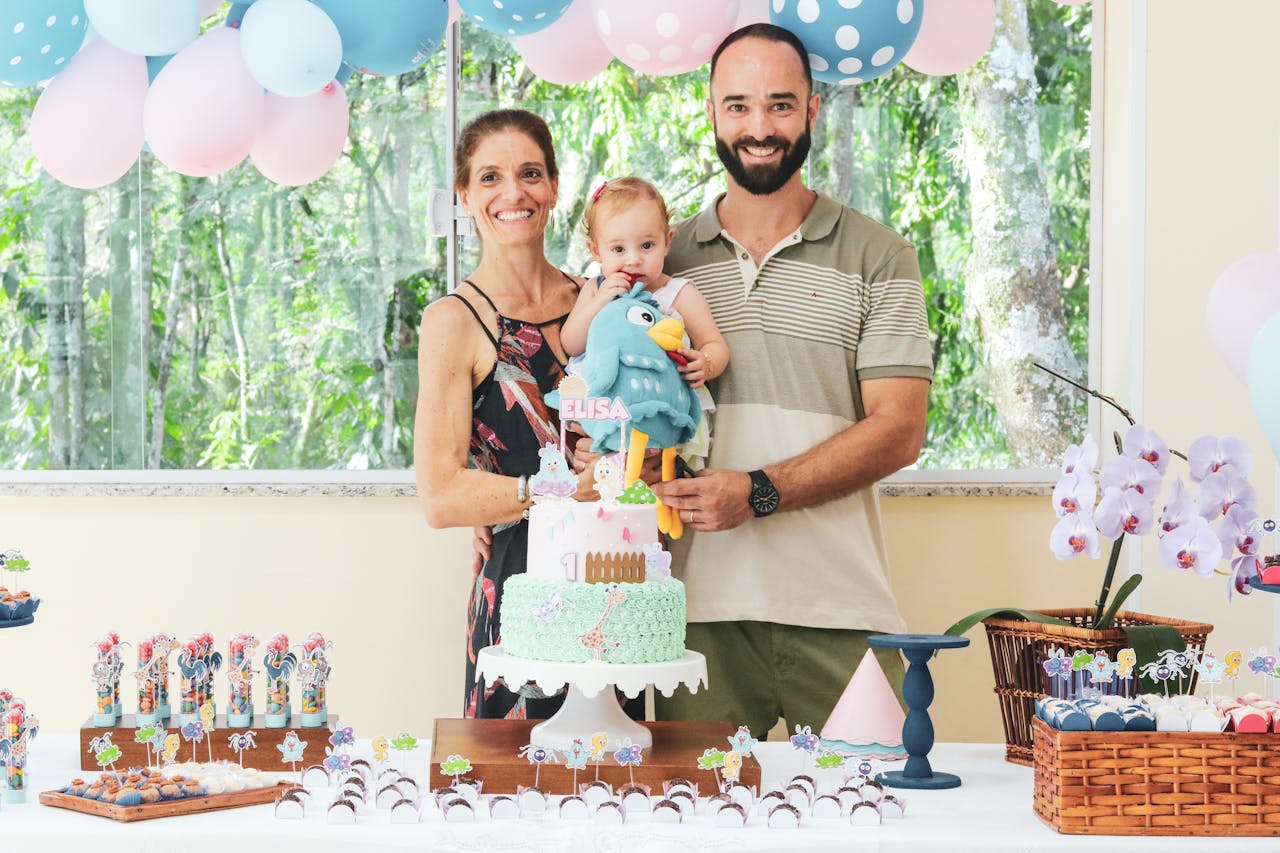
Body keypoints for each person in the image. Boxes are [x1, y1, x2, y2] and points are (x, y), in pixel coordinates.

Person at [650, 24, 934, 738]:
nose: (759, 127)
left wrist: (759, 491)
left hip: (842, 609)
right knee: (696, 830)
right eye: (739, 106)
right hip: (694, 617)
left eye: (780, 105)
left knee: (874, 823)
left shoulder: (880, 255)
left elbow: (899, 430)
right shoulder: (662, 264)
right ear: (711, 113)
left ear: (811, 111)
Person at [414, 108, 596, 720]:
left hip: (610, 582)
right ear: (464, 194)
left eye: (530, 174)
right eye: (490, 178)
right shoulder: (453, 322)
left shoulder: (602, 307)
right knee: (508, 798)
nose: (512, 193)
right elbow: (441, 496)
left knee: (616, 792)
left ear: (553, 186)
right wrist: (561, 490)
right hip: (517, 586)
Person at [560, 176, 730, 469]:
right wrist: (600, 301)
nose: (634, 260)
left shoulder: (678, 294)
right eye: (618, 250)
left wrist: (706, 362)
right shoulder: (594, 289)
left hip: (664, 414)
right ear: (595, 250)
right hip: (610, 411)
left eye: (647, 245)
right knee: (605, 482)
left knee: (667, 485)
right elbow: (571, 344)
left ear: (667, 242)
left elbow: (714, 343)